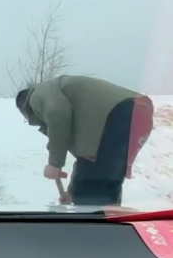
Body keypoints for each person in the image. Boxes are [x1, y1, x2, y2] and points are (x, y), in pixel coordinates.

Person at [15, 75, 154, 206]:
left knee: (92, 188)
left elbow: (57, 114)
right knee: (107, 179)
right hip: (137, 111)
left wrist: (54, 164)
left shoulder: (38, 94)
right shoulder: (80, 112)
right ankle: (109, 224)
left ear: (25, 108)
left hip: (116, 113)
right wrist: (71, 193)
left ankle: (93, 224)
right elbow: (87, 161)